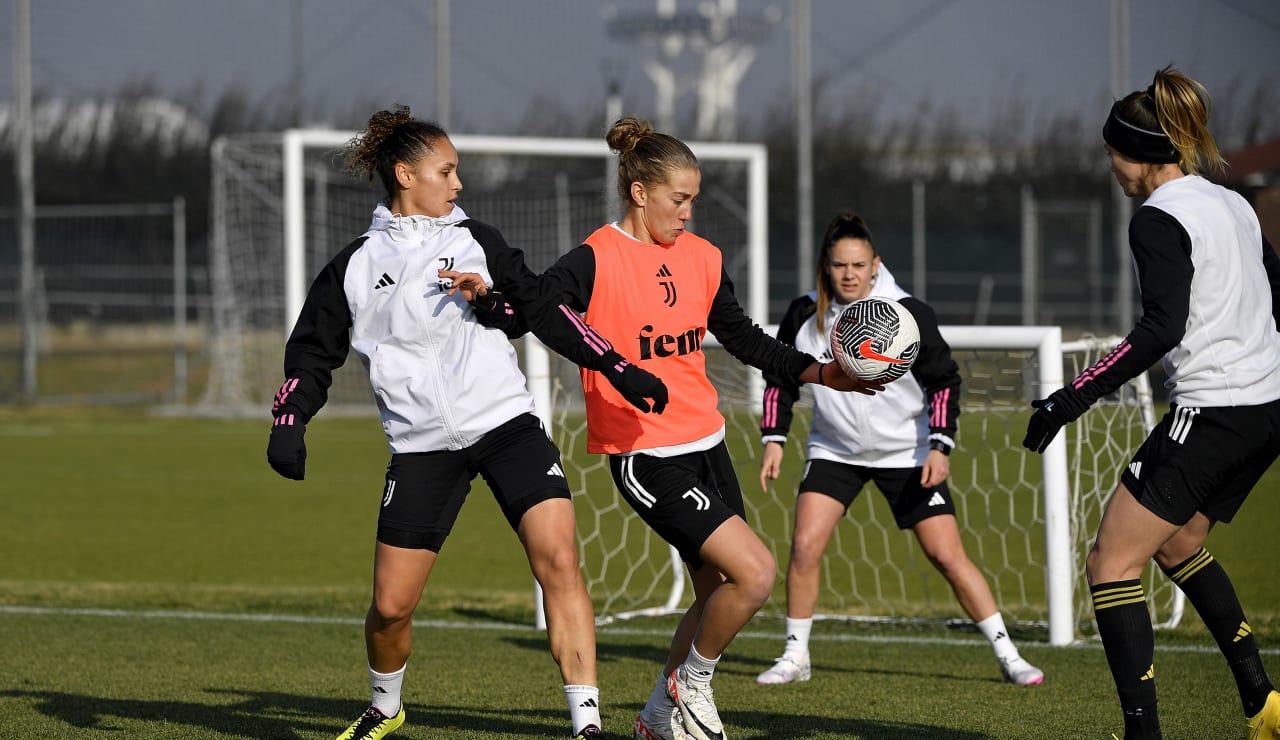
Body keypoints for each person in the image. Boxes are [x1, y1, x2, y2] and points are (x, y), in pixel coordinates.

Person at [461, 116, 879, 740]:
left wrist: (820, 373)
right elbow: (536, 313)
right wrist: (490, 303)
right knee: (757, 573)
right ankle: (694, 682)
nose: (687, 213)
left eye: (693, 201)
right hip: (645, 453)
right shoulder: (595, 258)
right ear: (639, 192)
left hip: (707, 442)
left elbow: (742, 337)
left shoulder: (703, 257)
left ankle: (658, 716)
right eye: (678, 200)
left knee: (715, 587)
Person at [265, 106, 670, 740]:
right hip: (421, 448)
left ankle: (586, 723)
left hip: (505, 426)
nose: (457, 185)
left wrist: (617, 366)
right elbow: (312, 351)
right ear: (405, 173)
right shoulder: (354, 266)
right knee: (391, 608)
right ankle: (385, 704)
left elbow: (538, 308)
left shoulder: (477, 239)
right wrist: (291, 417)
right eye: (445, 171)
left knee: (559, 561)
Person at [1022, 66, 1280, 740]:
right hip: (1267, 410)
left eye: (1112, 151)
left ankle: (1144, 735)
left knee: (1111, 562)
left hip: (1217, 410)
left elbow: (1160, 330)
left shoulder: (1158, 219)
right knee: (1178, 543)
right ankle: (1264, 703)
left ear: (1136, 154)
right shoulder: (1231, 203)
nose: (1110, 164)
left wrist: (1070, 398)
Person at [753, 212, 1044, 688]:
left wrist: (940, 446)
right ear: (826, 266)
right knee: (805, 545)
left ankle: (1008, 654)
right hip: (834, 449)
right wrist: (774, 438)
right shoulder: (804, 313)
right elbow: (780, 378)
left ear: (875, 265)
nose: (849, 274)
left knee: (947, 555)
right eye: (839, 265)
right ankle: (795, 655)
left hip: (906, 454)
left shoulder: (908, 313)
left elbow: (944, 382)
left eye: (859, 264)